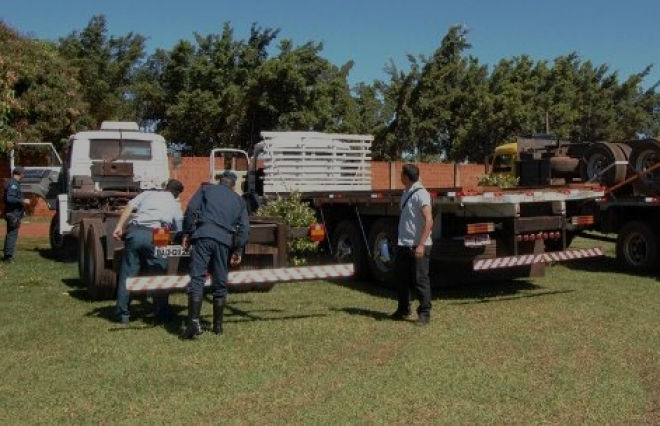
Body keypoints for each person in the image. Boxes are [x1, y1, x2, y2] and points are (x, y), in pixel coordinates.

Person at [180, 170, 249, 339]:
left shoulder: (206, 189)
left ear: (220, 181)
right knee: (220, 280)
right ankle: (218, 326)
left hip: (203, 235)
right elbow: (245, 229)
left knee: (197, 278)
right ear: (233, 185)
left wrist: (187, 233)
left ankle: (193, 323)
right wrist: (238, 249)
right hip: (224, 241)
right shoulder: (239, 201)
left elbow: (190, 210)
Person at [112, 179, 185, 324]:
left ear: (165, 187)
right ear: (177, 193)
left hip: (136, 231)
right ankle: (161, 312)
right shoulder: (175, 203)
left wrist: (119, 226)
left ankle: (122, 314)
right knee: (159, 274)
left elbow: (129, 206)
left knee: (127, 276)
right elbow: (179, 226)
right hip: (159, 234)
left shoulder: (147, 194)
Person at [391, 163, 434, 326]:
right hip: (404, 244)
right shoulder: (406, 192)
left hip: (418, 245)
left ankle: (424, 314)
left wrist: (421, 245)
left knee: (420, 280)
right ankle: (403, 309)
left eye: (401, 174)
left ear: (406, 177)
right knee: (401, 278)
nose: (400, 177)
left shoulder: (421, 194)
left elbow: (428, 220)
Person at [3, 167, 30, 263]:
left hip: (13, 213)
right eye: (23, 174)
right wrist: (22, 200)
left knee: (10, 234)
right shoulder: (13, 184)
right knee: (12, 235)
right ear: (20, 174)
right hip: (12, 213)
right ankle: (9, 257)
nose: (24, 175)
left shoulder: (13, 183)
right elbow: (9, 199)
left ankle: (7, 254)